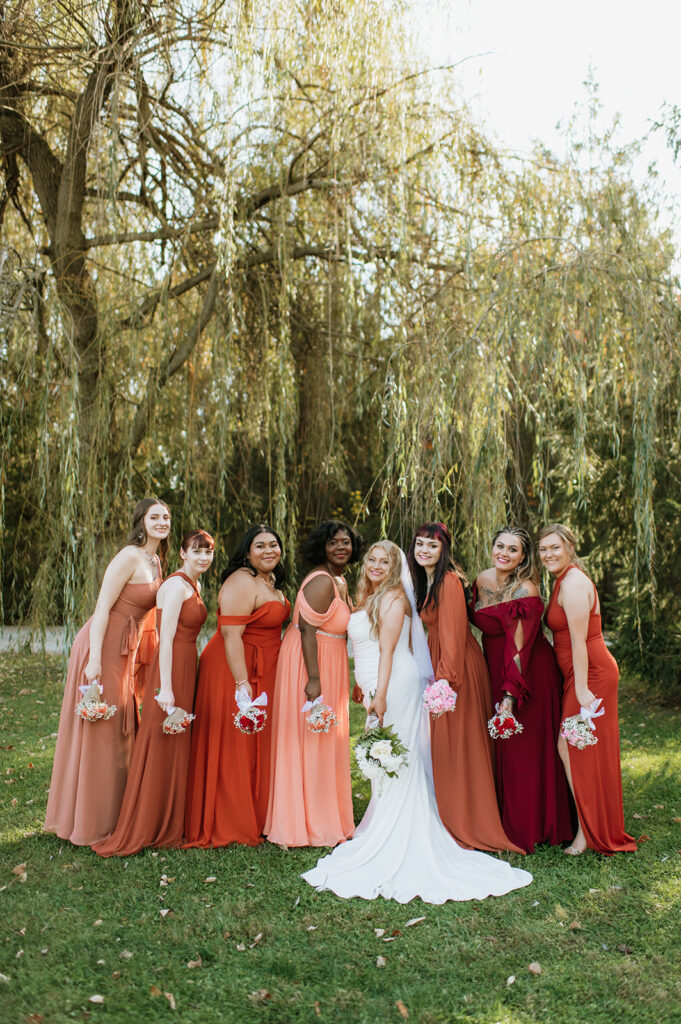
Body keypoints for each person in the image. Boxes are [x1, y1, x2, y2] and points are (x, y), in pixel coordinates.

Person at [302, 541, 532, 903]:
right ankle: (384, 820)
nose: (376, 565)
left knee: (396, 752)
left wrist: (379, 695)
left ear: (396, 567)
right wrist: (365, 688)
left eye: (385, 561)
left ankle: (399, 829)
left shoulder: (393, 598)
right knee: (388, 752)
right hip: (378, 682)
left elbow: (389, 650)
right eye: (372, 560)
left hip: (394, 683)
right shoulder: (370, 595)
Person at [44, 498, 170, 846]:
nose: (161, 522)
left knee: (120, 727)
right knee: (103, 728)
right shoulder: (129, 556)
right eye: (154, 516)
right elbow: (102, 609)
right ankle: (90, 821)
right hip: (101, 647)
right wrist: (95, 660)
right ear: (141, 521)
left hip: (125, 652)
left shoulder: (156, 560)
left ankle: (117, 813)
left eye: (166, 517)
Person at [93, 530, 213, 857]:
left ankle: (172, 817)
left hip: (187, 664)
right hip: (172, 667)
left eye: (208, 552)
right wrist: (168, 689)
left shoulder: (194, 584)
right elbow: (166, 638)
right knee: (161, 740)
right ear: (184, 554)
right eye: (197, 551)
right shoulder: (175, 586)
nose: (203, 558)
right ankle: (147, 821)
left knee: (177, 740)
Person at [407, 522, 522, 854]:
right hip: (439, 660)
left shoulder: (449, 581)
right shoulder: (425, 581)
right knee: (445, 745)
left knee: (459, 745)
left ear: (444, 550)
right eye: (419, 544)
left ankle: (466, 821)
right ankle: (447, 813)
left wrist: (446, 681)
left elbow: (455, 636)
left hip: (456, 669)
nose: (424, 550)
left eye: (432, 545)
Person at [184, 524, 290, 847]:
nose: (269, 550)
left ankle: (258, 813)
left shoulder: (270, 580)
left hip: (263, 666)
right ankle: (228, 820)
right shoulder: (241, 581)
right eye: (260, 546)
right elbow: (231, 637)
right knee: (235, 744)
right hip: (234, 668)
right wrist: (242, 685)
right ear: (247, 552)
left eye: (274, 544)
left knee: (254, 744)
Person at [470, 527, 574, 853]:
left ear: (523, 558)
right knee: (504, 750)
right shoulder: (481, 580)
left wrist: (510, 695)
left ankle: (532, 826)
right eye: (500, 545)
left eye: (513, 550)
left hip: (528, 674)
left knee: (523, 752)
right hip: (493, 670)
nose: (504, 553)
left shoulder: (525, 589)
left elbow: (520, 650)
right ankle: (501, 819)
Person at [539, 524, 636, 855]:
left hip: (591, 674)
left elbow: (580, 640)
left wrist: (580, 688)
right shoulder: (561, 581)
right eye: (543, 549)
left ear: (569, 547)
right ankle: (592, 825)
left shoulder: (575, 583)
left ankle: (588, 832)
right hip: (578, 675)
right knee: (576, 748)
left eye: (555, 547)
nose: (548, 554)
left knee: (572, 746)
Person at [264, 520, 363, 847]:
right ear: (322, 546)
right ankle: (303, 822)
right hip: (311, 660)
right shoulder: (321, 581)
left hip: (330, 656)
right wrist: (314, 679)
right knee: (308, 738)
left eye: (346, 542)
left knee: (325, 737)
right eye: (334, 542)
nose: (340, 548)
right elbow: (307, 630)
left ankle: (325, 814)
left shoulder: (340, 580)